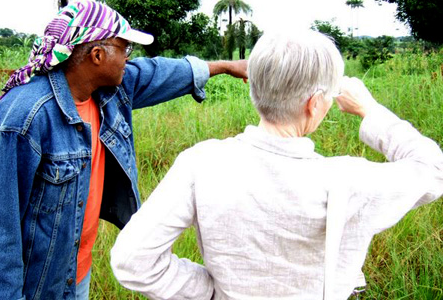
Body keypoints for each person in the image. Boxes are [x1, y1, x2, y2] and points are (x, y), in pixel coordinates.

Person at [110, 30, 443, 299]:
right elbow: (433, 170)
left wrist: (213, 293)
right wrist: (370, 110)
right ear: (314, 104)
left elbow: (132, 261)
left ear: (254, 88)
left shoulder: (201, 163)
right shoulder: (348, 180)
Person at [0, 0, 248, 300]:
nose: (129, 58)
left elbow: (160, 72)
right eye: (125, 48)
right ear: (97, 55)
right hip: (37, 286)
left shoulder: (109, 92)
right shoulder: (17, 122)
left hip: (76, 274)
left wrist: (226, 66)